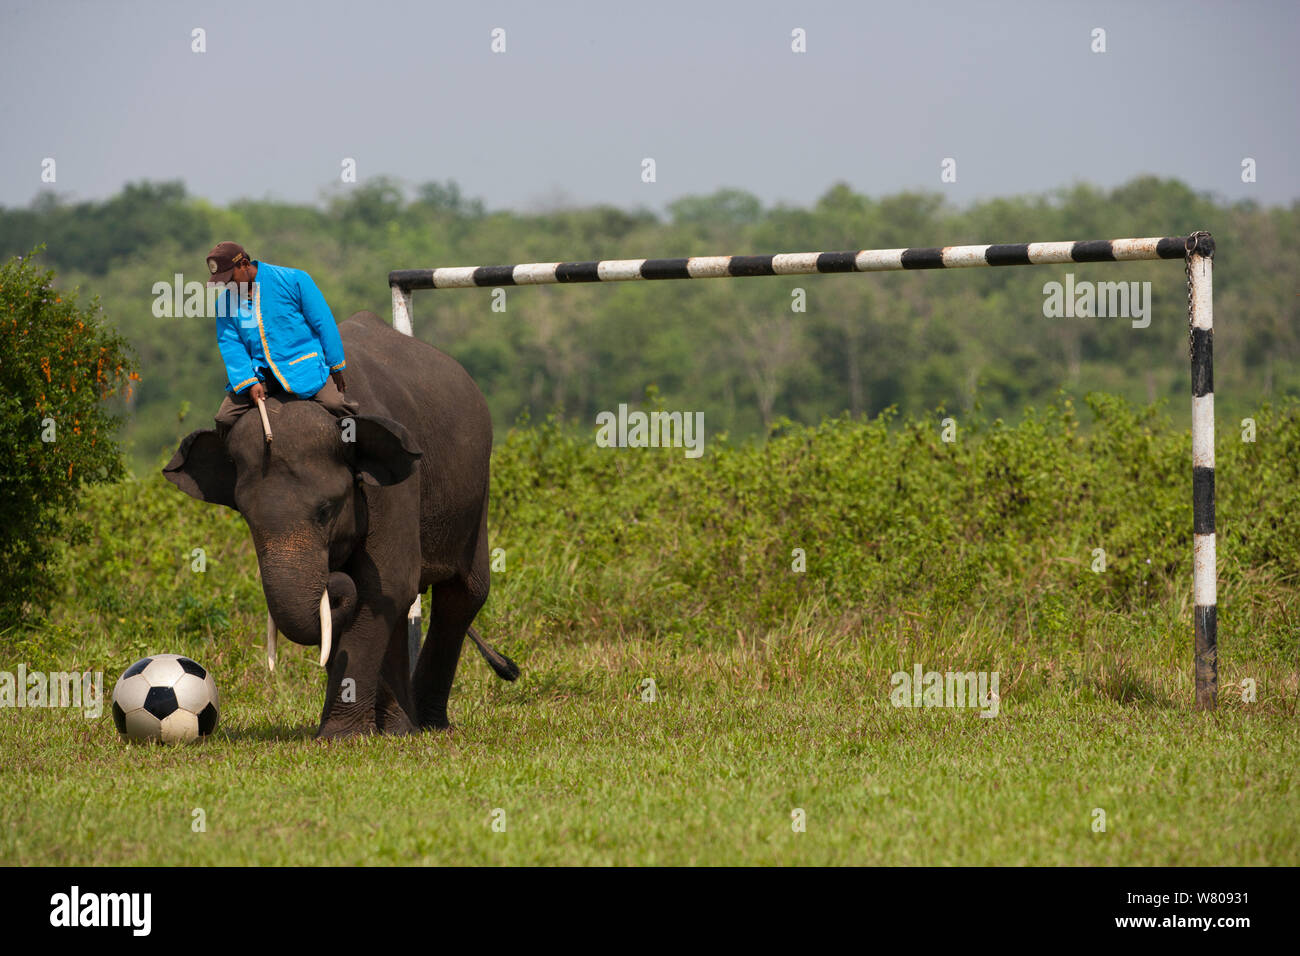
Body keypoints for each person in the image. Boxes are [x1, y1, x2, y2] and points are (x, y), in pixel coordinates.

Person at [204, 241, 358, 439]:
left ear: (243, 264)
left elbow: (323, 322)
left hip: (302, 364)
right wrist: (249, 382)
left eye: (229, 278)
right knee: (223, 419)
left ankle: (355, 451)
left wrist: (336, 364)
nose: (227, 284)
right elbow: (231, 344)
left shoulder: (294, 279)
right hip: (260, 372)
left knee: (336, 405)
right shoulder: (224, 303)